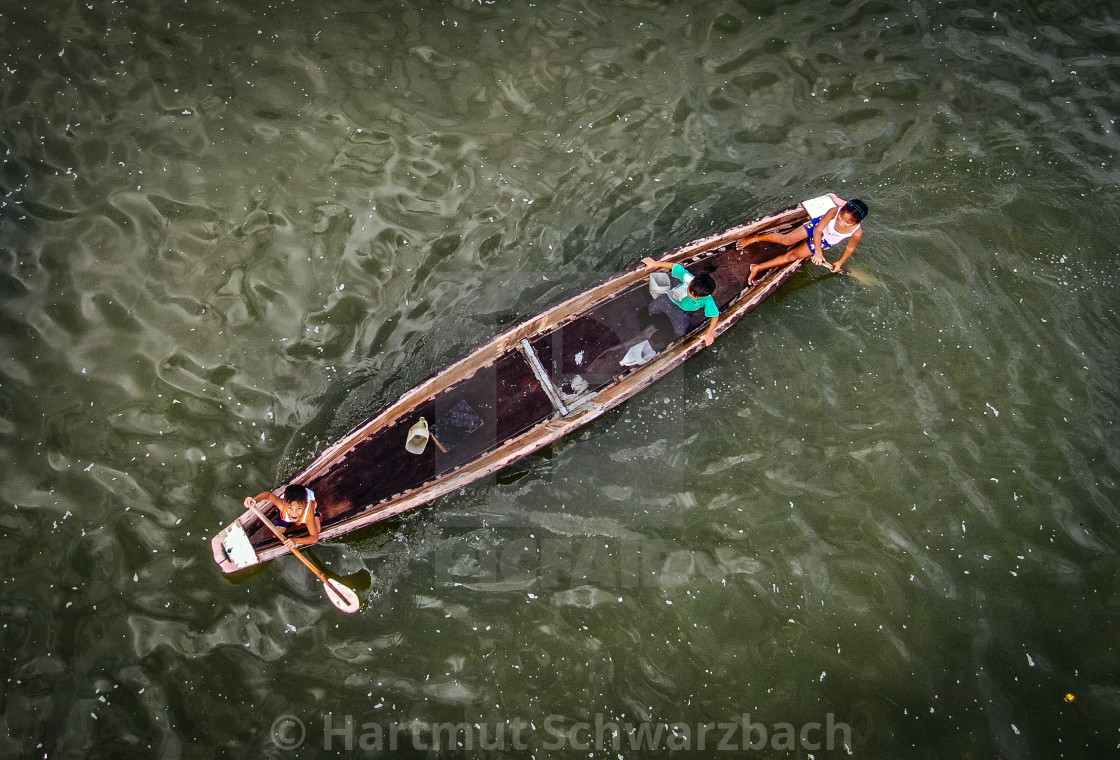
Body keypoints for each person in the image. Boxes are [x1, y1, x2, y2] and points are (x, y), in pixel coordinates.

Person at [738, 194, 868, 286]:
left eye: (847, 222)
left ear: (856, 222)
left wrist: (840, 262)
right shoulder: (834, 211)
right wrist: (818, 252)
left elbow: (850, 248)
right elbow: (818, 230)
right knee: (786, 240)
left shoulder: (857, 232)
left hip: (826, 240)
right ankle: (755, 238)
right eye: (841, 216)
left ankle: (757, 267)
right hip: (818, 227)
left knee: (792, 256)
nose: (841, 221)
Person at [641, 257, 720, 346]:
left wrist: (709, 333)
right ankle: (651, 322)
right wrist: (655, 263)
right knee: (651, 308)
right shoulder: (688, 278)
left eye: (696, 296)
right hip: (671, 298)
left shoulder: (707, 300)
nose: (691, 295)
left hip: (683, 311)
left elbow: (715, 316)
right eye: (691, 290)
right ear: (692, 282)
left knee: (680, 331)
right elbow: (675, 266)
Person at [248, 484, 321, 546]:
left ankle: (317, 514)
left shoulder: (308, 514)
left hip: (309, 507)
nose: (294, 513)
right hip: (285, 510)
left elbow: (314, 538)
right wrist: (255, 499)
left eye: (299, 508)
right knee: (278, 531)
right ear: (285, 504)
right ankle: (284, 522)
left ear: (305, 506)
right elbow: (269, 495)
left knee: (317, 530)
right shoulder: (282, 505)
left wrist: (295, 541)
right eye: (290, 508)